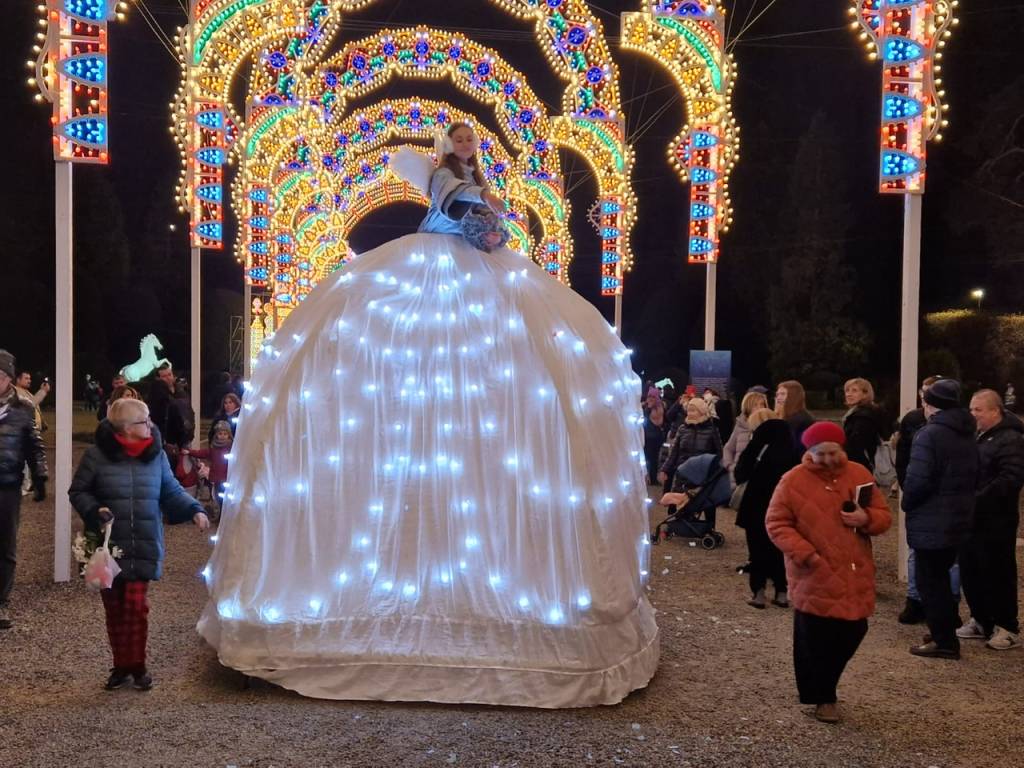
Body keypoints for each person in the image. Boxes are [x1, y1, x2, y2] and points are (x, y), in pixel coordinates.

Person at [193, 122, 658, 706]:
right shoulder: (445, 180)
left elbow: (482, 213)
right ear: (448, 148)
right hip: (447, 251)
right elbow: (458, 204)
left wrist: (487, 219)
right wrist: (479, 215)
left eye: (469, 143)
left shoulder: (473, 188)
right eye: (459, 142)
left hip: (473, 257)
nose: (465, 150)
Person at [69, 398, 209, 690]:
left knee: (137, 607)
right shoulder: (96, 456)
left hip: (144, 543)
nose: (150, 426)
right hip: (108, 547)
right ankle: (121, 665)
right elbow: (78, 491)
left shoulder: (156, 456)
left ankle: (138, 665)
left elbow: (170, 489)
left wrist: (194, 509)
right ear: (125, 428)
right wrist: (95, 510)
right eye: (143, 421)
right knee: (115, 608)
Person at [766, 421, 891, 724]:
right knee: (815, 639)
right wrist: (806, 555)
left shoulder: (860, 474)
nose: (827, 459)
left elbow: (883, 516)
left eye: (833, 452)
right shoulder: (792, 481)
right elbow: (776, 523)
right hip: (813, 572)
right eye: (820, 453)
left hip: (853, 570)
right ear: (809, 452)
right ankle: (823, 697)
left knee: (854, 630)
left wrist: (865, 518)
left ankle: (823, 688)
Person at [902, 378, 979, 659]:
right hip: (958, 515)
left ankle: (944, 640)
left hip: (931, 518)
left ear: (930, 403)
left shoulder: (930, 434)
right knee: (942, 578)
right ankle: (942, 629)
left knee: (929, 581)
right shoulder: (967, 431)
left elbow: (919, 479)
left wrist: (907, 502)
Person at [958, 389, 1024, 650]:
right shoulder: (979, 436)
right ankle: (981, 620)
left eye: (978, 410)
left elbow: (1011, 478)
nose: (972, 414)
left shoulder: (1011, 439)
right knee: (971, 569)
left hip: (997, 520)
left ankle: (1007, 626)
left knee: (998, 571)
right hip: (972, 517)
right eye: (971, 408)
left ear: (995, 411)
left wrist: (977, 499)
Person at [893, 375, 959, 625]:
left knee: (948, 558)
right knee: (916, 553)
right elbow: (903, 457)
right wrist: (906, 488)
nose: (925, 397)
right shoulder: (913, 421)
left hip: (940, 500)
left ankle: (948, 607)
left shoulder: (951, 429)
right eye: (923, 392)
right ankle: (915, 600)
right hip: (919, 495)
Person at [0, 350, 48, 630]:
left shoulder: (23, 407)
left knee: (6, 544)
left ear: (10, 378)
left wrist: (40, 476)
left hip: (7, 483)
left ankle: (1, 600)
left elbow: (34, 444)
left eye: (2, 375)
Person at [734, 407, 800, 609]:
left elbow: (741, 473)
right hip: (785, 506)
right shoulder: (792, 447)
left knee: (757, 548)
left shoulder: (758, 445)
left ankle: (759, 592)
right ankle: (781, 592)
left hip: (756, 503)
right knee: (781, 549)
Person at [658, 397, 722, 493]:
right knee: (676, 506)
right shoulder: (682, 429)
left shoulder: (712, 430)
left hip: (702, 476)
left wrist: (715, 473)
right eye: (688, 410)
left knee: (699, 504)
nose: (690, 413)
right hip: (683, 475)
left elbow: (719, 454)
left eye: (693, 411)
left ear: (701, 411)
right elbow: (674, 453)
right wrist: (664, 469)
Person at [185, 420, 233, 520]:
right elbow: (202, 453)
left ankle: (225, 517)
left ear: (229, 435)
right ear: (216, 435)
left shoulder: (231, 448)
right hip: (217, 478)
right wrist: (190, 452)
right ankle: (220, 515)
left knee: (226, 498)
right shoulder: (214, 448)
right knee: (217, 497)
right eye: (220, 433)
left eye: (225, 434)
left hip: (227, 478)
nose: (223, 436)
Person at [841, 378, 891, 472]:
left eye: (854, 391)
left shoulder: (863, 417)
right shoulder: (865, 412)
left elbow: (856, 445)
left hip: (861, 465)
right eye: (847, 390)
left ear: (865, 394)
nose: (848, 394)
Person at [722, 390, 768, 481]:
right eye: (755, 405)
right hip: (736, 479)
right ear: (748, 407)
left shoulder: (769, 425)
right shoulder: (740, 425)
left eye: (762, 404)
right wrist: (730, 467)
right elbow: (728, 448)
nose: (760, 408)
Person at [145, 376, 187, 467]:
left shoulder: (146, 408)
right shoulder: (171, 406)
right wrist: (181, 445)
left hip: (149, 448)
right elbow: (180, 429)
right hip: (169, 447)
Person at [775, 380, 815, 450]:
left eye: (783, 394)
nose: (778, 398)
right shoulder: (790, 417)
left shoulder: (799, 420)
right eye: (777, 394)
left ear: (793, 396)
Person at [642, 390, 666, 485]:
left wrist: (649, 408)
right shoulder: (647, 407)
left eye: (652, 397)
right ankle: (647, 477)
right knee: (648, 458)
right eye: (649, 397)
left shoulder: (658, 407)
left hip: (654, 437)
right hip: (648, 436)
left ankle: (652, 478)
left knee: (653, 459)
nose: (650, 399)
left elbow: (658, 421)